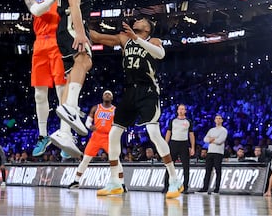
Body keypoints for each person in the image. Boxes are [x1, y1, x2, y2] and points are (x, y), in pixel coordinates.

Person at [89, 18, 183, 199]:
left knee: (153, 133)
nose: (136, 21)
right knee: (113, 134)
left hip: (147, 91)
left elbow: (160, 54)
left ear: (147, 28)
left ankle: (174, 179)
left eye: (140, 20)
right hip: (129, 91)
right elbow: (99, 37)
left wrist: (137, 39)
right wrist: (79, 25)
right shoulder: (125, 39)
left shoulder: (153, 41)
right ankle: (115, 181)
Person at [25, 0, 73, 158]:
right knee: (39, 94)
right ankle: (43, 135)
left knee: (61, 90)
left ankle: (65, 133)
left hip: (56, 41)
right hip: (39, 45)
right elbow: (36, 11)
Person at [50, 0, 94, 158]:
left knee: (72, 76)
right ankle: (70, 108)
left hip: (69, 27)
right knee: (83, 60)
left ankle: (64, 131)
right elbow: (75, 7)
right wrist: (80, 33)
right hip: (71, 25)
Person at [67, 90, 125, 191]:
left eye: (109, 94)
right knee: (85, 159)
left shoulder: (115, 110)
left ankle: (122, 184)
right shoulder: (96, 108)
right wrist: (90, 126)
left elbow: (119, 124)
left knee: (116, 161)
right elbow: (88, 121)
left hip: (108, 138)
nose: (107, 95)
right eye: (105, 94)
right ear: (103, 97)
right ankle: (76, 181)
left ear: (111, 98)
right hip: (96, 137)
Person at [163, 104, 196, 194]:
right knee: (169, 166)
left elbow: (191, 135)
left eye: (183, 109)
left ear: (185, 111)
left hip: (184, 144)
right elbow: (168, 132)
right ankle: (166, 186)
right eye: (180, 109)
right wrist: (165, 144)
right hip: (174, 143)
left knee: (186, 166)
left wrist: (192, 147)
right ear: (177, 111)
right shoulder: (173, 121)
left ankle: (185, 187)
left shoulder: (188, 121)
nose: (181, 111)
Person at [198, 114, 228, 195]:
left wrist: (211, 139)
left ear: (222, 120)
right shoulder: (211, 130)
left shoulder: (224, 130)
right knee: (208, 170)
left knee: (218, 171)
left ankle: (216, 189)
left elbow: (220, 141)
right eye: (216, 118)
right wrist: (213, 139)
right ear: (214, 120)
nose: (218, 120)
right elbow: (205, 139)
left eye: (219, 118)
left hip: (218, 152)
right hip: (210, 152)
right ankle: (205, 188)